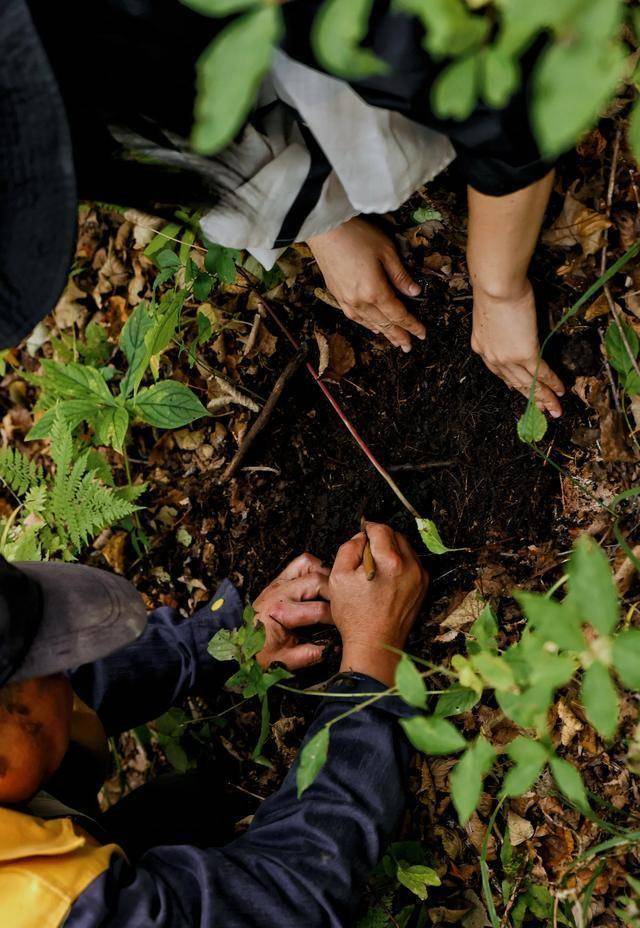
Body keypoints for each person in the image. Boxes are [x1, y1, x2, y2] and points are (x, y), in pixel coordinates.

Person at [2, 0, 563, 419]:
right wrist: (324, 223)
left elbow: (509, 96)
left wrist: (498, 288)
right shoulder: (97, 51)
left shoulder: (352, 18)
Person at [0, 521, 428, 926]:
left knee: (183, 804)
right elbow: (287, 905)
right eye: (53, 668)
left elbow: (87, 683)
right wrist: (372, 660)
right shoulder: (39, 905)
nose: (66, 670)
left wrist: (227, 639)